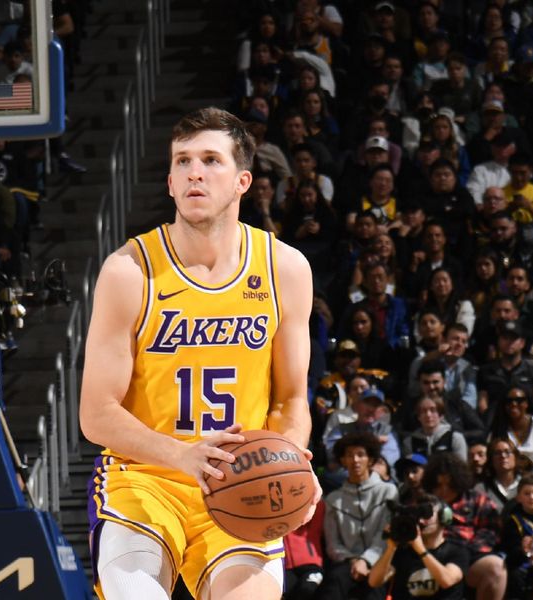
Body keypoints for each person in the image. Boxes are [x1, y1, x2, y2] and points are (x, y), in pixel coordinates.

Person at [79, 108, 318, 600]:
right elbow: (96, 413)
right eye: (183, 161)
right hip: (143, 478)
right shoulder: (128, 271)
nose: (195, 172)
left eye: (211, 160)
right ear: (169, 182)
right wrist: (182, 457)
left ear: (242, 181)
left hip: (243, 478)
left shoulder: (284, 269)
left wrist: (292, 459)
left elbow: (292, 401)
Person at [317, 431, 397, 600]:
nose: (355, 460)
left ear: (371, 459)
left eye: (361, 454)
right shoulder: (333, 499)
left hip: (379, 562)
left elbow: (386, 535)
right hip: (345, 564)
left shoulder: (388, 492)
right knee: (333, 584)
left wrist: (366, 560)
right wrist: (354, 560)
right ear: (342, 460)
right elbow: (333, 544)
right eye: (349, 455)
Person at [423, 453, 507, 600]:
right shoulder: (423, 503)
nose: (444, 490)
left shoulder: (477, 500)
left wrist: (464, 555)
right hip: (430, 558)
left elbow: (491, 531)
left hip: (469, 557)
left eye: (449, 485)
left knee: (496, 567)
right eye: (439, 485)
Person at [367, 493, 470, 599]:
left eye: (427, 515)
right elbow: (374, 581)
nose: (420, 521)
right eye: (418, 515)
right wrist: (390, 548)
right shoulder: (403, 552)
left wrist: (421, 550)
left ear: (443, 517)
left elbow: (447, 580)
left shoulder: (457, 551)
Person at [489, 386, 533, 476]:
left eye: (519, 400)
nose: (514, 404)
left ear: (527, 403)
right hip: (510, 483)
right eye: (509, 401)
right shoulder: (498, 430)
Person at [402, 396, 467, 460]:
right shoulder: (410, 442)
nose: (428, 415)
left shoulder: (455, 438)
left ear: (441, 415)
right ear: (419, 416)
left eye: (433, 410)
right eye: (424, 411)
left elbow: (461, 467)